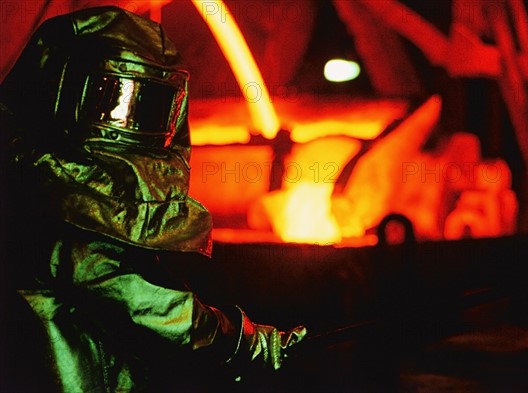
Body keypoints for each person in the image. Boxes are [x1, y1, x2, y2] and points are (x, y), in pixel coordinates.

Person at [0, 6, 306, 392]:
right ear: (61, 90)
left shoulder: (44, 184)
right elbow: (144, 301)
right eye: (114, 98)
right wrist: (245, 340)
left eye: (151, 105)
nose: (132, 125)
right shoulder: (53, 201)